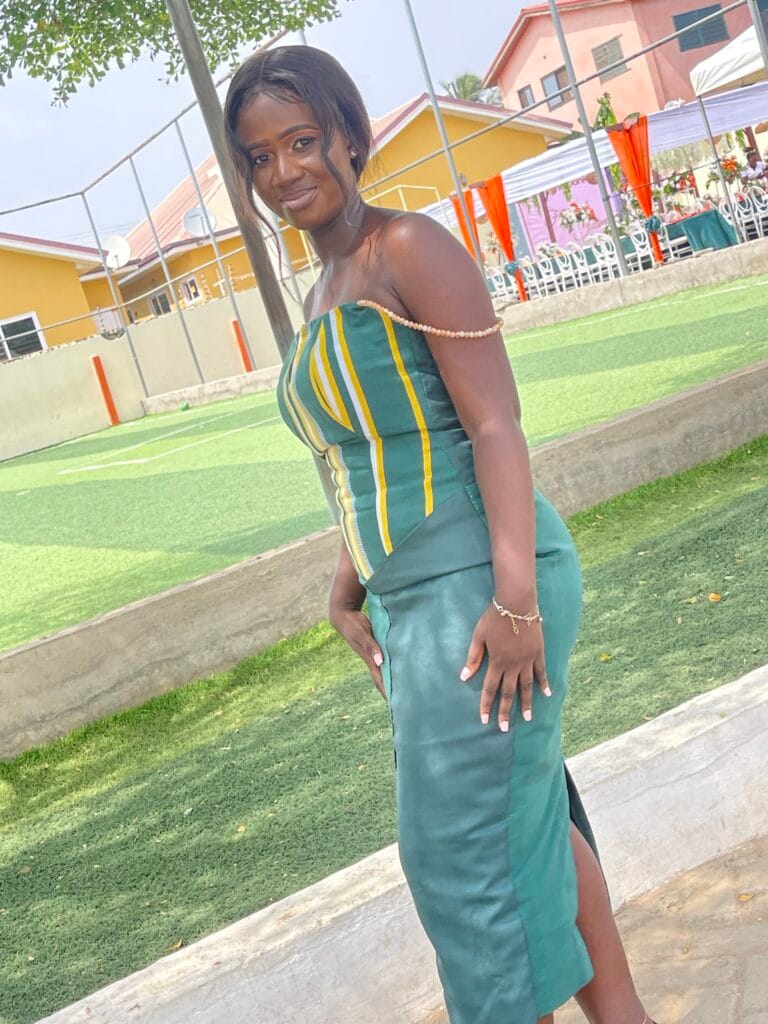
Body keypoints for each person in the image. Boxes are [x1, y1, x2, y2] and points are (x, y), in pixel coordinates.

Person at [225, 45, 659, 1024]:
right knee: (530, 814)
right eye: (260, 156)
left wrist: (514, 599)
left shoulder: (407, 248)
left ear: (348, 134)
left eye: (303, 140)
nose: (286, 170)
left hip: (483, 578)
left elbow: (493, 425)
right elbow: (365, 448)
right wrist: (348, 582)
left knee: (459, 853)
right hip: (414, 595)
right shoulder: (323, 286)